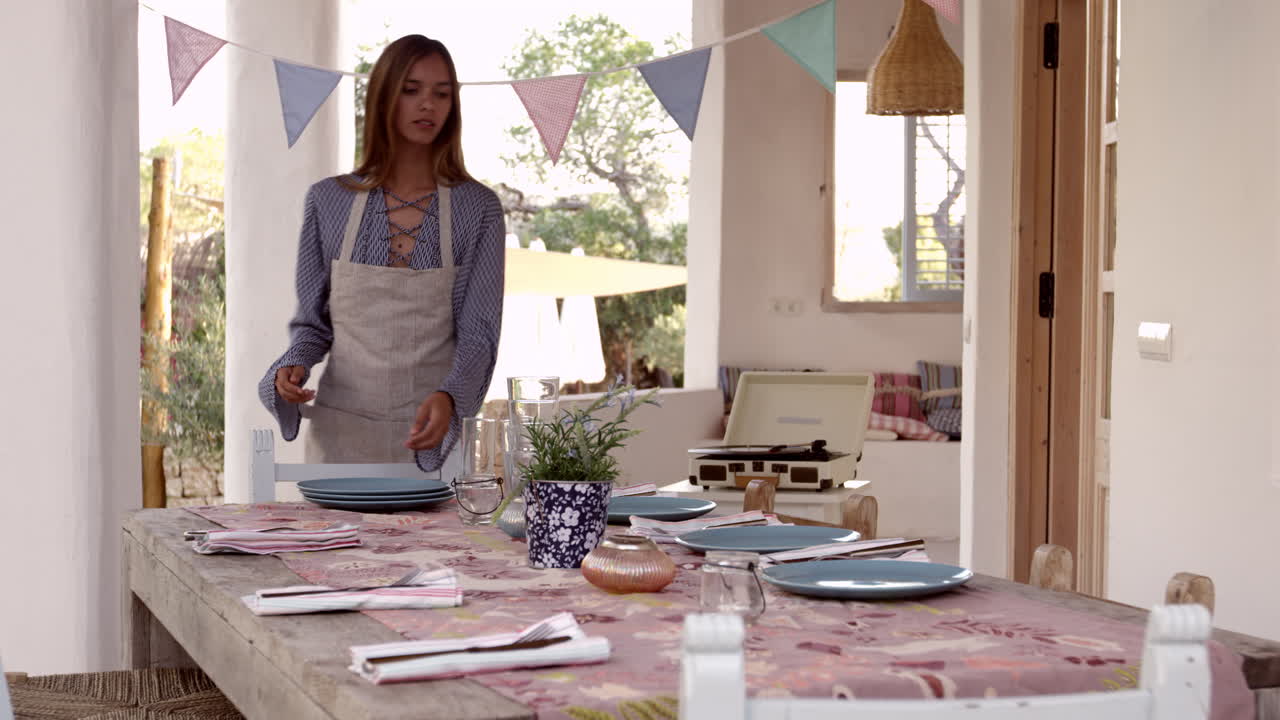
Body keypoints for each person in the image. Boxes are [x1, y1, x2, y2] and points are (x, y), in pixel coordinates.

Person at [259, 35, 505, 474]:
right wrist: (292, 366)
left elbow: (479, 335)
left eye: (441, 93)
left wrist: (450, 399)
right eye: (411, 90)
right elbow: (313, 325)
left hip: (436, 444)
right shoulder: (328, 201)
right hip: (339, 441)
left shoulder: (478, 209)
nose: (428, 104)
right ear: (383, 96)